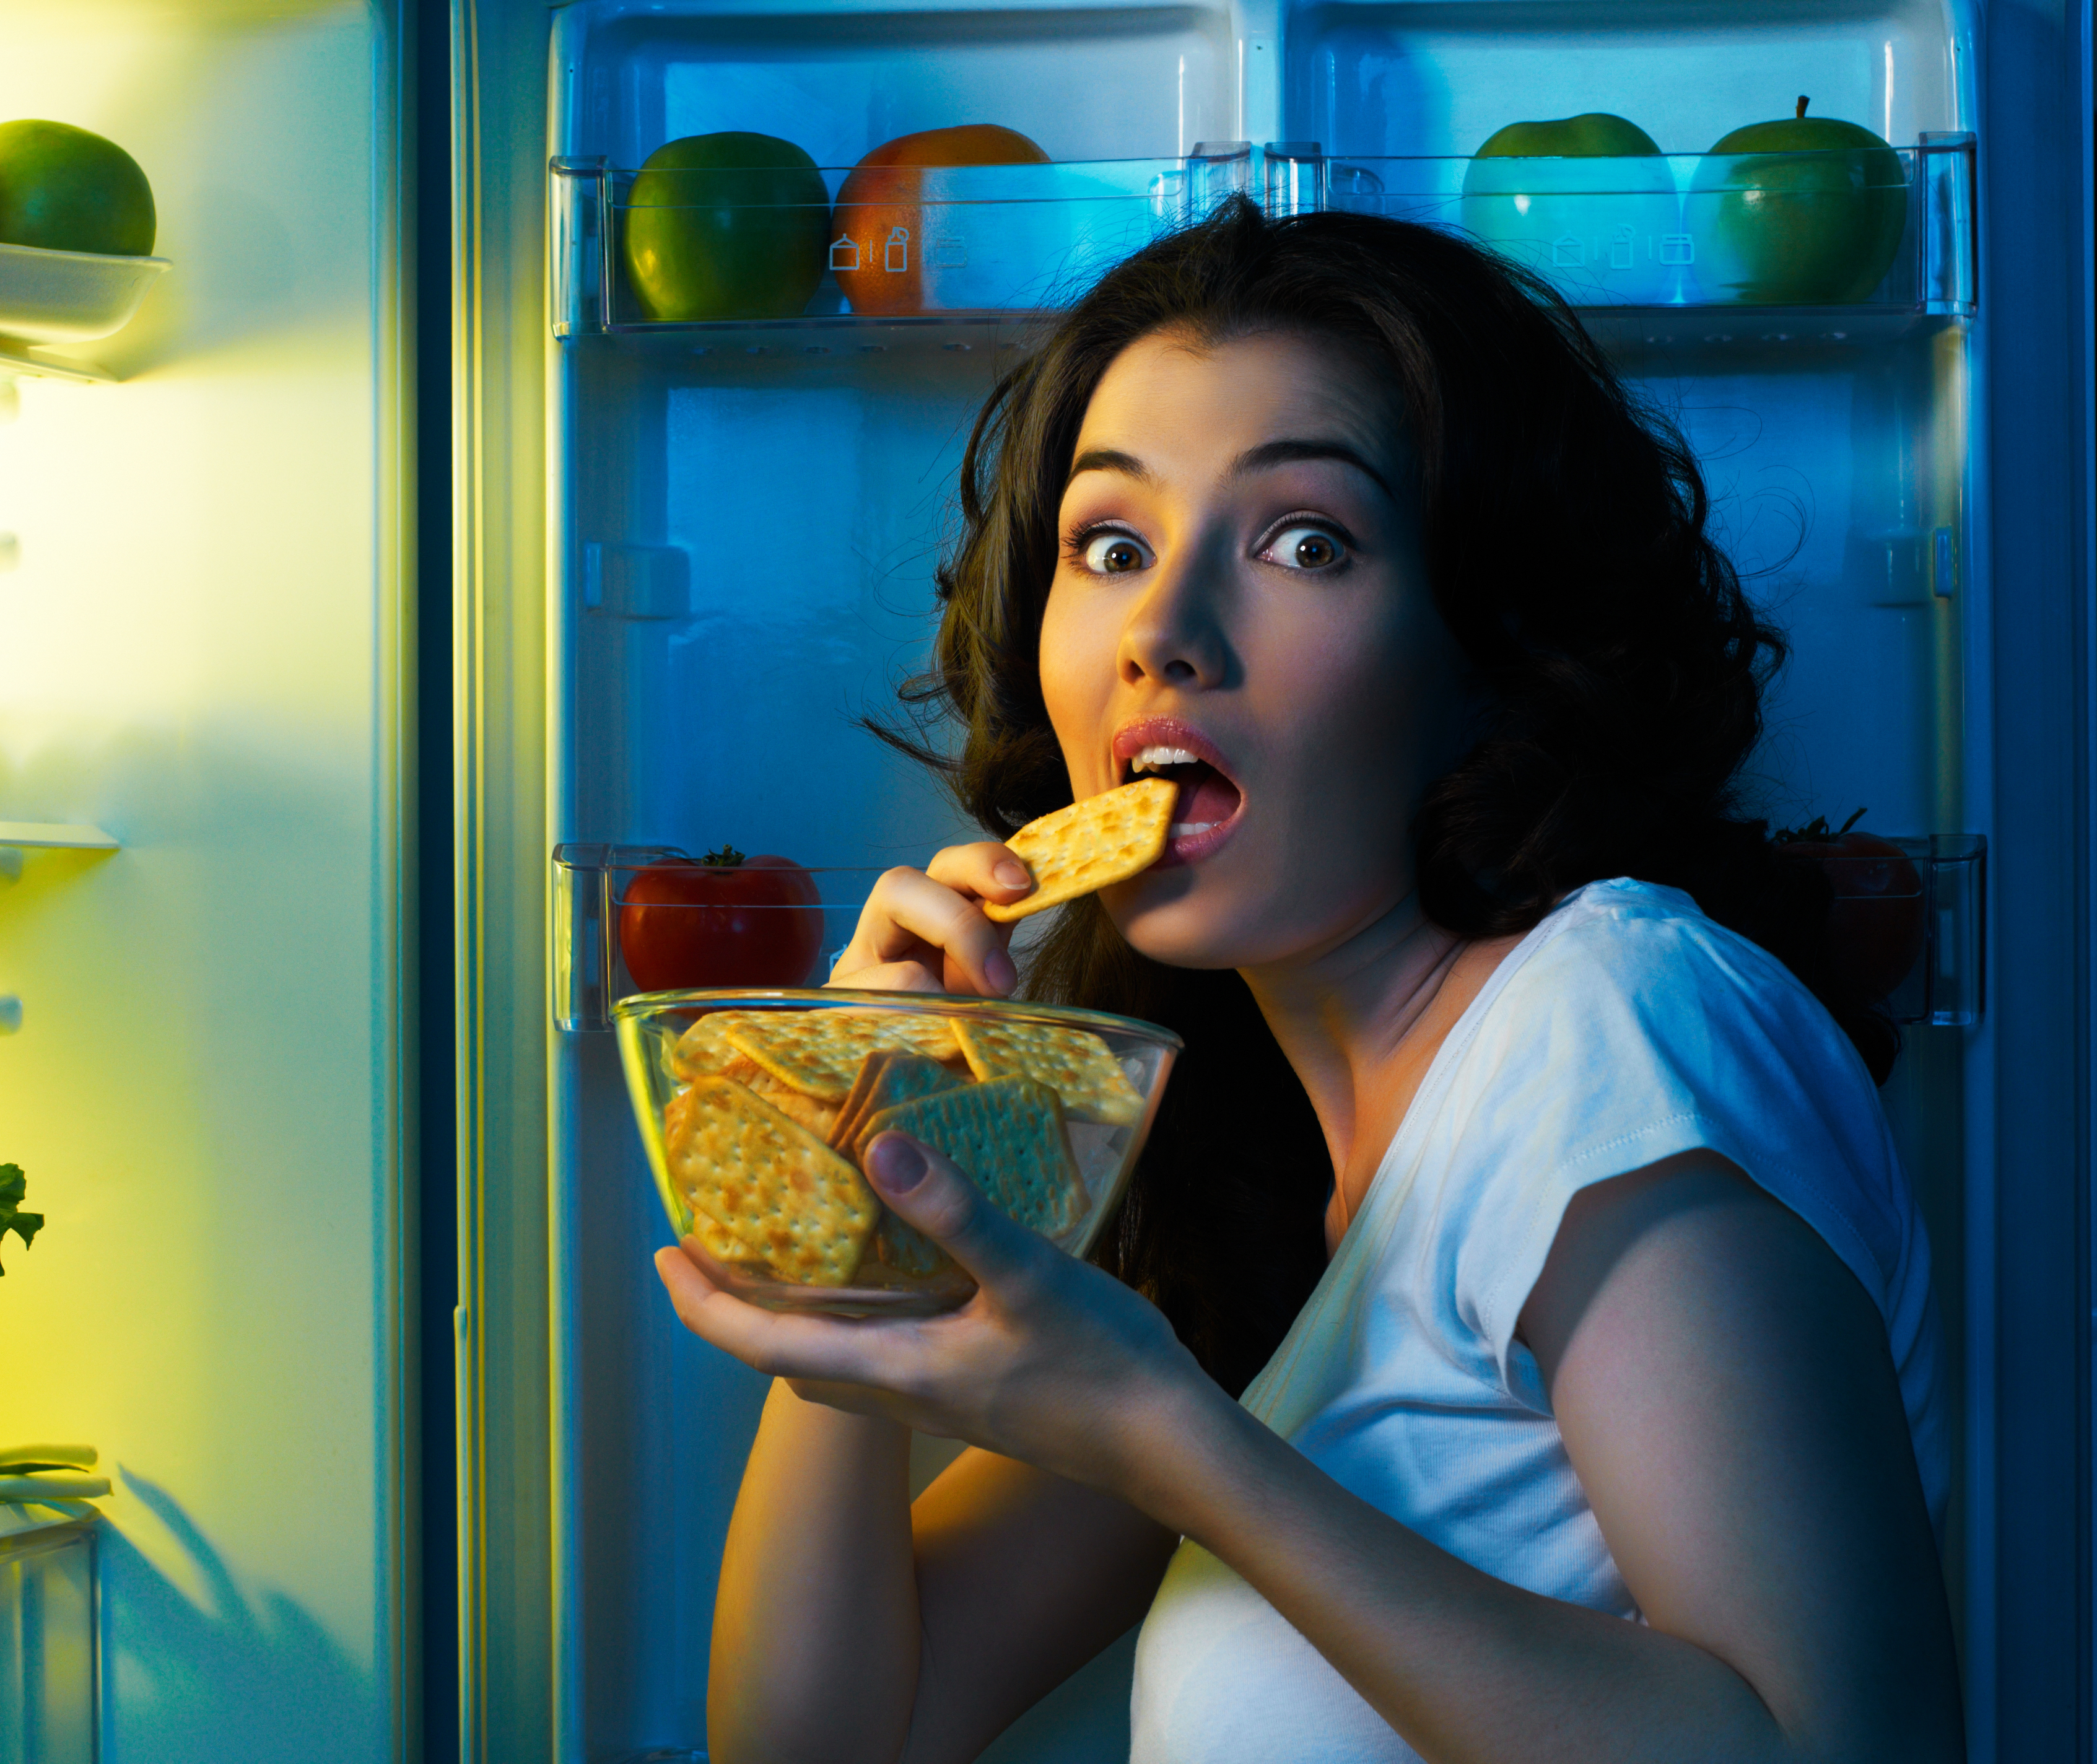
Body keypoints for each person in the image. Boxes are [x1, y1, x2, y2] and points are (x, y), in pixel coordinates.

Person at [654, 198, 1961, 1764]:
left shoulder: (1618, 1020)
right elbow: (829, 1742)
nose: (1164, 632)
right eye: (1112, 544)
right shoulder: (1252, 1178)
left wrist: (1169, 1440)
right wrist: (857, 1209)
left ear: (1488, 646)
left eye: (1305, 541)